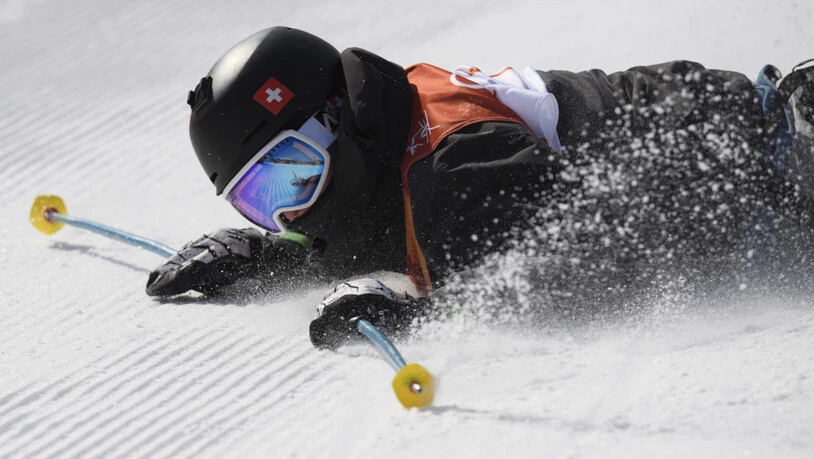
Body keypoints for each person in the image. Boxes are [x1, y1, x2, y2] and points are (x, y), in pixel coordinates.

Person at [145, 26, 814, 349]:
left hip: (770, 168)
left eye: (292, 173)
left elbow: (587, 268)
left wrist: (420, 313)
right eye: (258, 199)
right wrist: (265, 254)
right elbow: (369, 218)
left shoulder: (457, 168)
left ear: (336, 120)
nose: (289, 209)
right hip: (741, 158)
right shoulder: (386, 125)